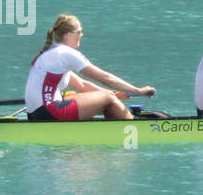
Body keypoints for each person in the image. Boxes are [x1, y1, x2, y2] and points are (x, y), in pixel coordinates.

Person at [25, 14, 155, 121]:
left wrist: (115, 94)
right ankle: (132, 130)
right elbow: (106, 78)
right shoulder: (66, 53)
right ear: (69, 34)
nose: (81, 34)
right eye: (79, 31)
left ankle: (117, 126)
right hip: (49, 112)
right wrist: (138, 91)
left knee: (109, 96)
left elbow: (82, 84)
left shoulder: (52, 53)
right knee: (108, 99)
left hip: (34, 114)